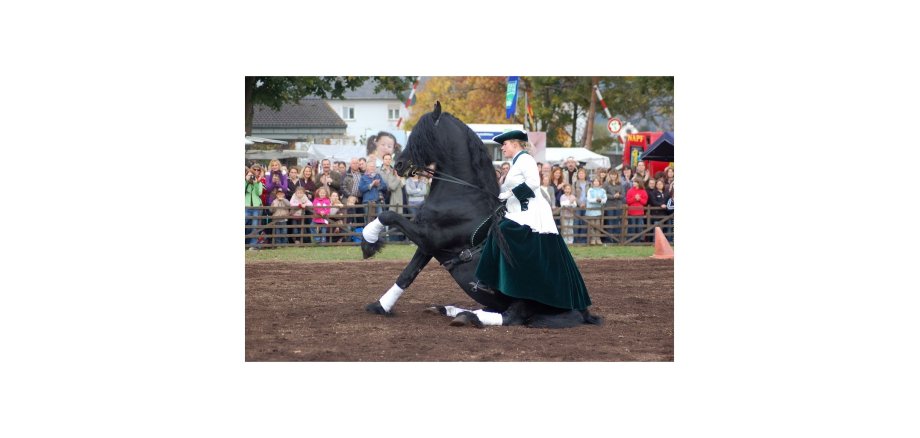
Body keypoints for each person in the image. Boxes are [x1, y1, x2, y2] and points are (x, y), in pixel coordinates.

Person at [472, 130, 593, 326]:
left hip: (531, 212)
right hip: (519, 211)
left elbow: (534, 183)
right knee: (499, 229)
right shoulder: (516, 162)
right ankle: (491, 280)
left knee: (503, 231)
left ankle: (489, 279)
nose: (502, 148)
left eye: (504, 144)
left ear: (514, 144)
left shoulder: (525, 159)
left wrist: (508, 193)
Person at [245, 165, 264, 250]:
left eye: (252, 175)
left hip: (256, 207)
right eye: (249, 175)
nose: (251, 177)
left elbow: (259, 193)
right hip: (246, 206)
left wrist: (256, 183)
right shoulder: (244, 182)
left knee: (254, 226)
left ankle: (253, 245)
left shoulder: (259, 183)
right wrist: (246, 181)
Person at [603, 171, 625, 242]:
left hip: (618, 205)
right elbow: (603, 194)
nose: (613, 176)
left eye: (615, 175)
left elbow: (623, 195)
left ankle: (616, 239)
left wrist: (618, 196)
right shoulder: (606, 184)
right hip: (609, 205)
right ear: (609, 175)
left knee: (617, 221)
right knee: (610, 222)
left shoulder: (620, 184)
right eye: (612, 175)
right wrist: (613, 196)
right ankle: (609, 239)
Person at [585, 177, 607, 245]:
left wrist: (600, 200)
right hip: (590, 210)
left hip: (598, 211)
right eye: (595, 181)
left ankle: (598, 239)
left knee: (598, 225)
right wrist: (596, 200)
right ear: (593, 182)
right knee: (592, 225)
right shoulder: (590, 190)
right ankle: (593, 239)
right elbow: (589, 199)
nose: (596, 182)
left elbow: (604, 199)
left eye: (597, 181)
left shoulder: (602, 190)